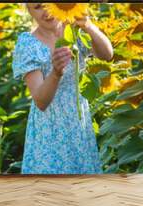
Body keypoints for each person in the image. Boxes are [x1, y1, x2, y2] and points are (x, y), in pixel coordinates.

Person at [12, 3, 113, 174]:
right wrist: (56, 73)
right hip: (50, 127)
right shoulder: (28, 44)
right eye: (37, 7)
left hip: (78, 121)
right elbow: (41, 101)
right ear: (28, 10)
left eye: (49, 4)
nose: (46, 12)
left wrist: (88, 26)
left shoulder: (74, 31)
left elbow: (107, 55)